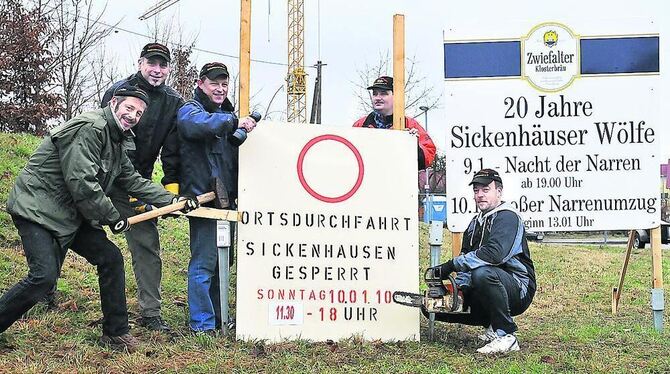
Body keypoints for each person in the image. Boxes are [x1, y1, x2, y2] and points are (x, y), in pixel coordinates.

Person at [0, 85, 197, 352]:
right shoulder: (91, 128)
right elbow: (82, 181)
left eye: (139, 113)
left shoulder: (118, 139)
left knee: (110, 258)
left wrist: (173, 201)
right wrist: (112, 216)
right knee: (43, 276)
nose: (133, 116)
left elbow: (132, 180)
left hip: (70, 212)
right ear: (114, 103)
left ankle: (116, 334)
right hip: (39, 208)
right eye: (129, 108)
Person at [101, 42, 184, 332]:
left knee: (147, 244)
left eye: (163, 65)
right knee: (68, 227)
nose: (157, 70)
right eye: (152, 63)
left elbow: (172, 151)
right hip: (102, 176)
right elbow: (102, 135)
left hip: (138, 183)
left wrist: (170, 192)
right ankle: (46, 290)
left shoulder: (174, 102)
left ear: (169, 69)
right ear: (140, 63)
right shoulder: (118, 91)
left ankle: (151, 313)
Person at [177, 62, 257, 333]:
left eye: (224, 84)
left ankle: (220, 318)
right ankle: (202, 325)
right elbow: (194, 126)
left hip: (227, 202)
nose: (220, 89)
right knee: (203, 263)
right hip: (203, 201)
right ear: (200, 84)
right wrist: (234, 122)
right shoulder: (191, 110)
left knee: (223, 261)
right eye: (214, 83)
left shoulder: (226, 114)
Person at [424, 169, 536, 354]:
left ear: (498, 192)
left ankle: (506, 335)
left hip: (518, 288)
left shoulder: (508, 217)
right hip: (487, 283)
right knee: (431, 306)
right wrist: (454, 290)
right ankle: (492, 326)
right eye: (476, 191)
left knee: (483, 273)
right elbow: (466, 263)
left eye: (485, 189)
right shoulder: (475, 223)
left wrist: (450, 265)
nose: (480, 195)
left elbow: (494, 254)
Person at [353, 76, 436, 170]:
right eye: (375, 94)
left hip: (398, 181)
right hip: (369, 181)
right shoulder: (360, 125)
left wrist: (414, 145)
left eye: (383, 94)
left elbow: (427, 159)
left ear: (396, 96)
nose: (377, 98)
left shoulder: (410, 125)